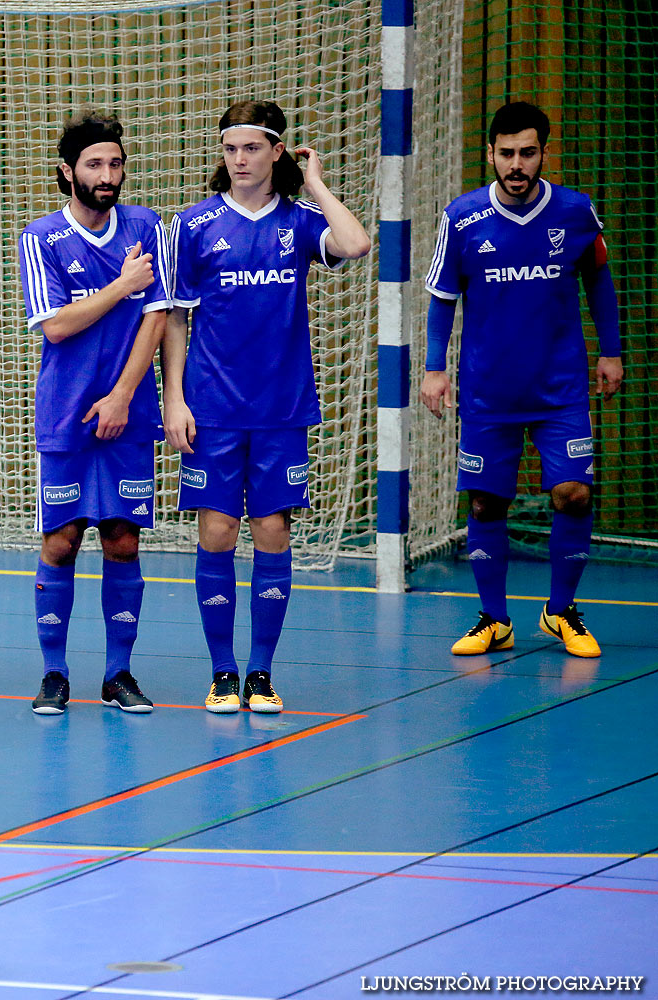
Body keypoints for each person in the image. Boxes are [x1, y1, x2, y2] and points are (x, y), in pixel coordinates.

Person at [162, 100, 371, 714]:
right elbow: (174, 318)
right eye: (230, 149)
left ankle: (261, 674)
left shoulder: (301, 222)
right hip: (213, 408)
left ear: (276, 152)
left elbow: (357, 244)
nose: (239, 160)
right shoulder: (194, 226)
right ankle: (222, 672)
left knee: (273, 532)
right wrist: (173, 398)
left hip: (281, 409)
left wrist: (315, 183)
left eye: (252, 148)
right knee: (218, 531)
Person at [420, 101, 621, 658]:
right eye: (505, 153)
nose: (516, 164)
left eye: (527, 153)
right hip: (488, 392)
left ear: (543, 154)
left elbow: (599, 284)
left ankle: (561, 612)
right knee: (485, 504)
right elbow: (442, 298)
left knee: (573, 494)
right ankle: (494, 619)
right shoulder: (462, 217)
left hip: (559, 390)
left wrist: (612, 353)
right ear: (490, 154)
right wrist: (435, 368)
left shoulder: (577, 212)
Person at [16, 111, 169, 715]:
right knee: (62, 538)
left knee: (124, 540)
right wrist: (121, 286)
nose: (108, 175)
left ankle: (118, 674)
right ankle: (54, 673)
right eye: (94, 165)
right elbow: (56, 326)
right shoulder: (41, 238)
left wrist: (124, 395)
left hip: (128, 413)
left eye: (115, 163)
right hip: (65, 416)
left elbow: (158, 316)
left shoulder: (147, 226)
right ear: (67, 171)